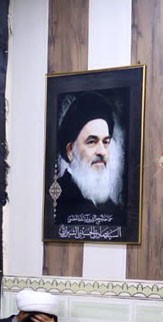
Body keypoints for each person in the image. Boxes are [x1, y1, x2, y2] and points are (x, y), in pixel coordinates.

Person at [53, 91, 123, 226]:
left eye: (106, 142)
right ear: (70, 151)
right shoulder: (58, 201)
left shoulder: (113, 210)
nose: (102, 152)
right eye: (92, 142)